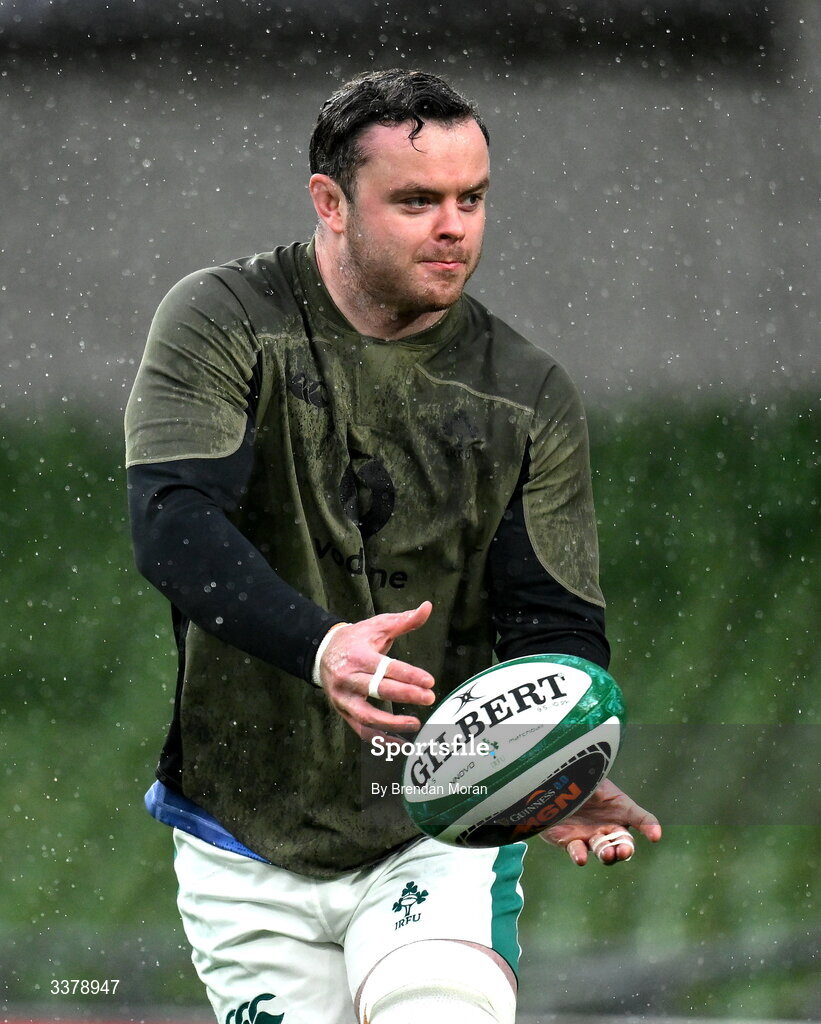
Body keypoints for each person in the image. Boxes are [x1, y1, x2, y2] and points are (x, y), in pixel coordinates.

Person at [125, 68, 661, 1024]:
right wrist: (322, 647)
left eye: (471, 199)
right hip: (237, 834)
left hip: (439, 829)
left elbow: (552, 623)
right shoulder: (222, 318)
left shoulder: (528, 393)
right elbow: (172, 524)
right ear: (329, 202)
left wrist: (548, 761)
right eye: (416, 201)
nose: (453, 227)